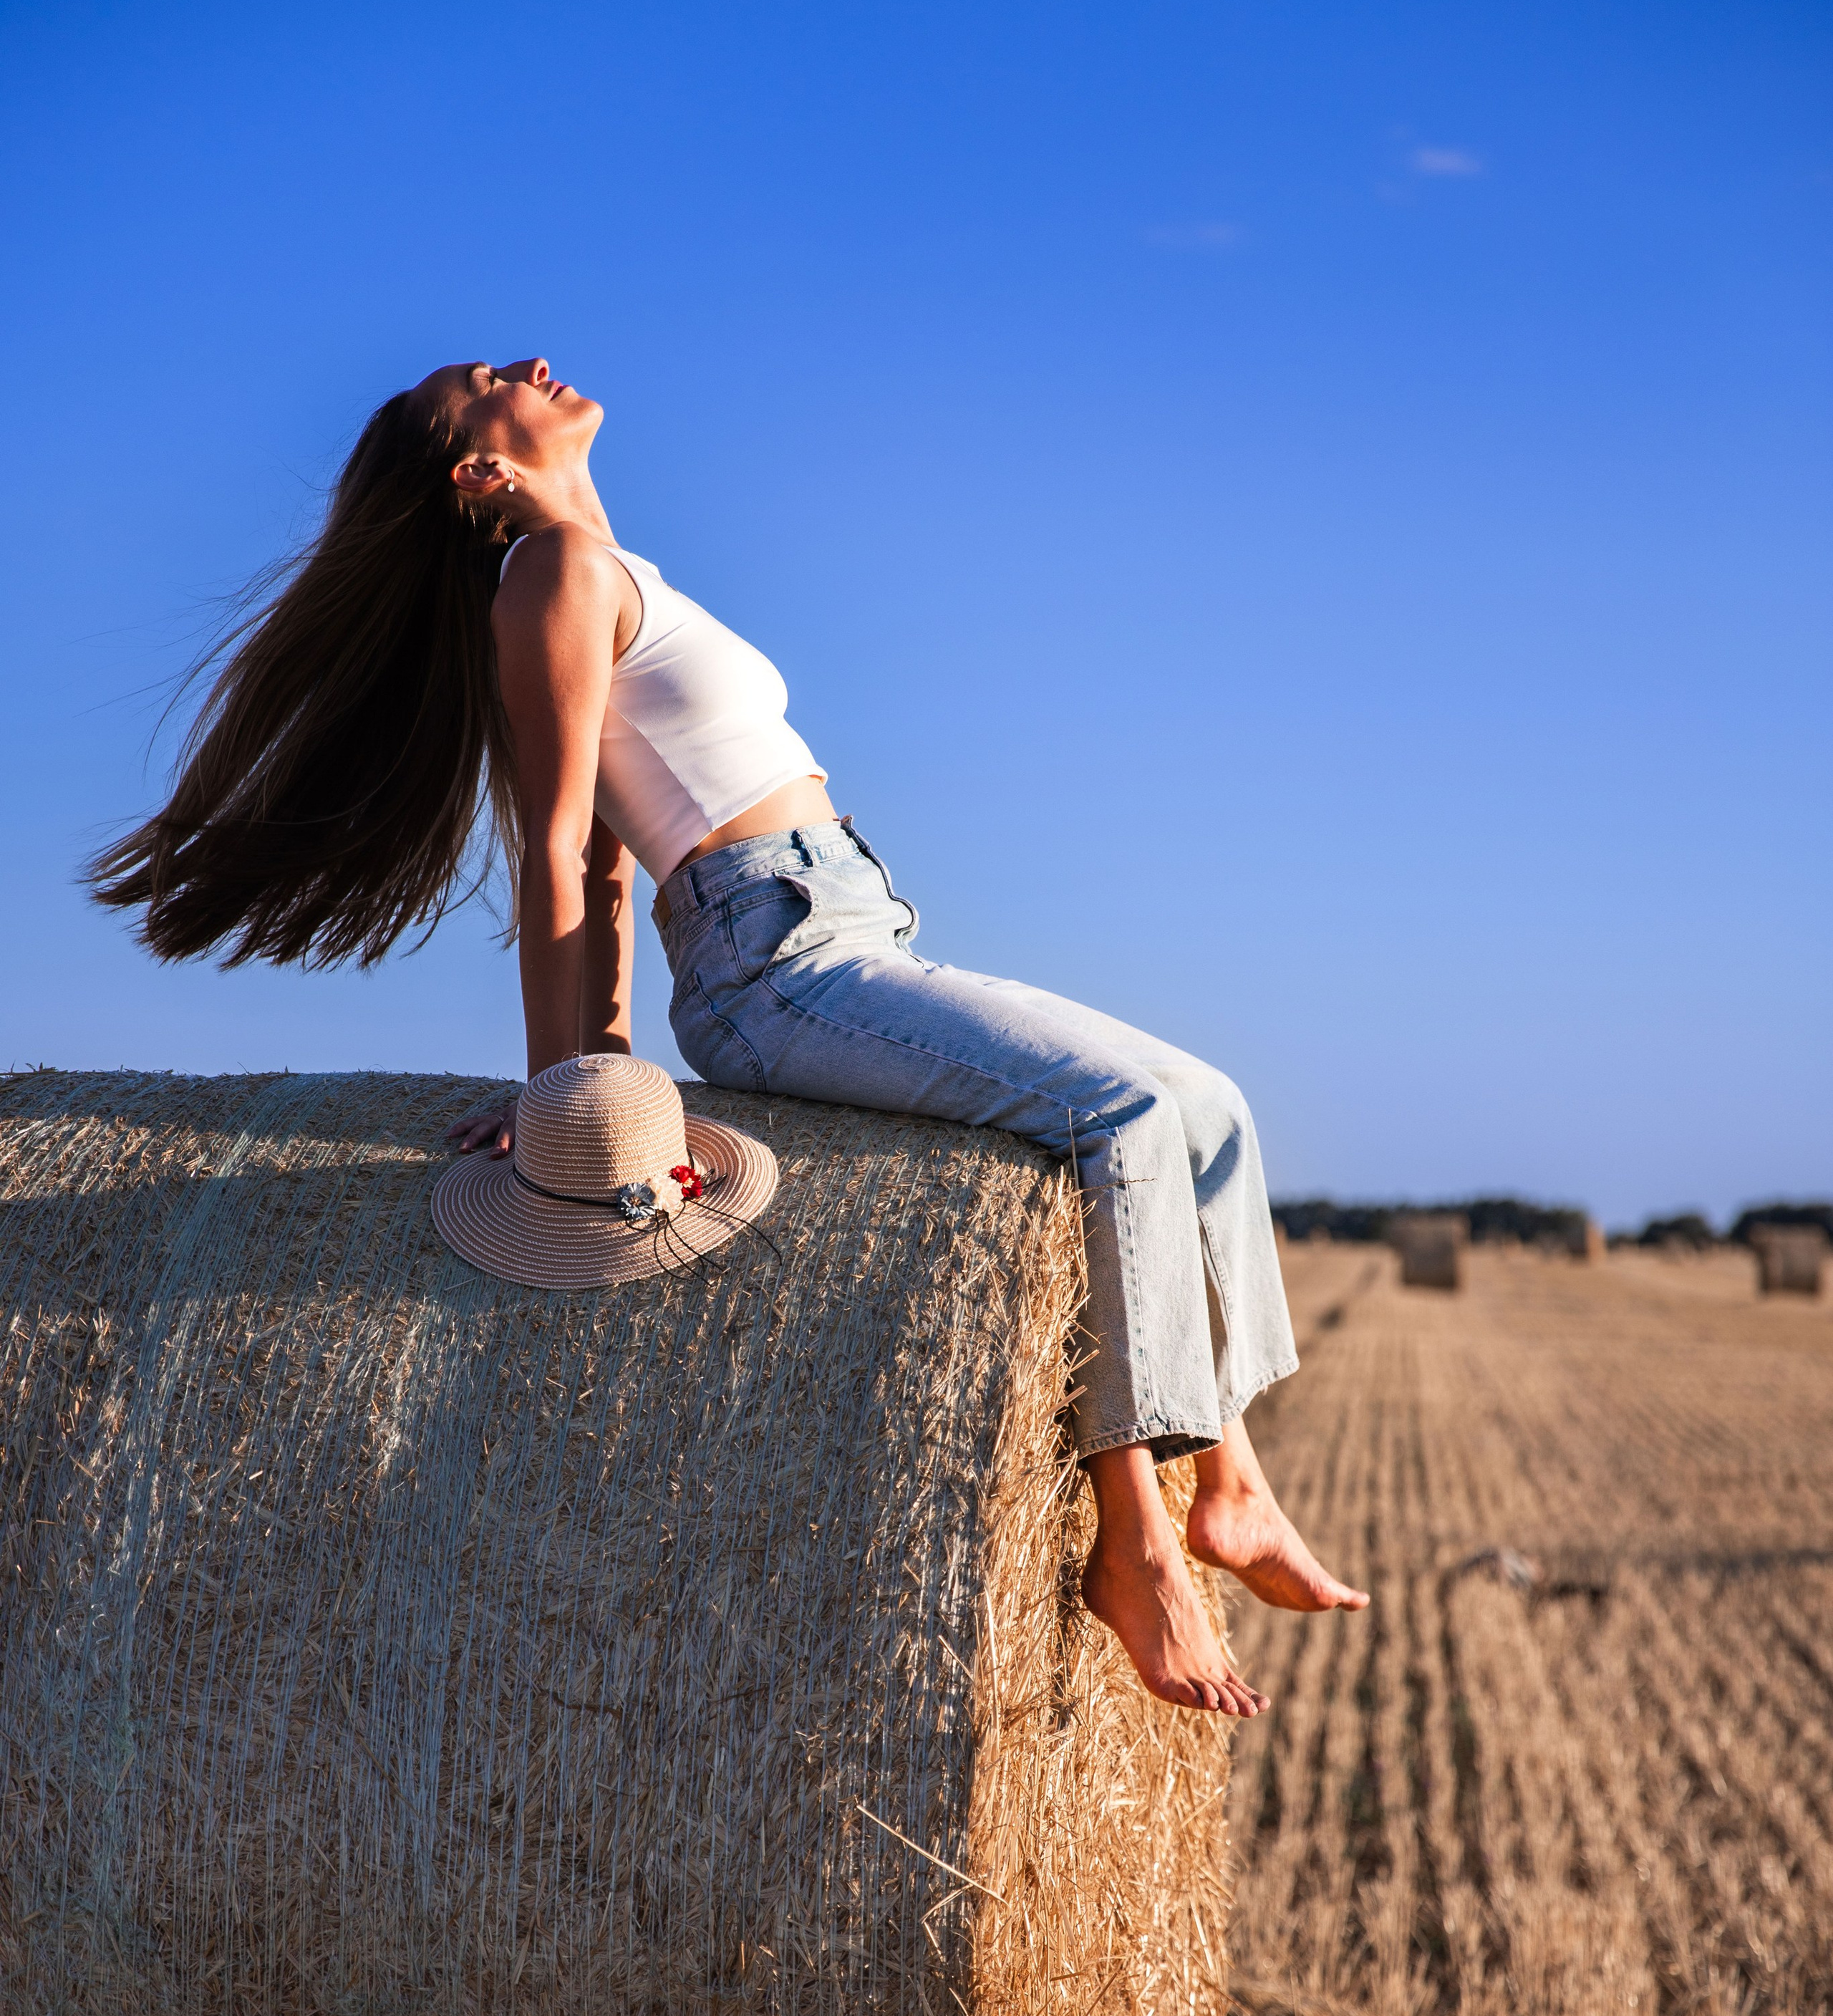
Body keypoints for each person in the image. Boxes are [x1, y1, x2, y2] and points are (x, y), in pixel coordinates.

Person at [92, 355, 1368, 1717]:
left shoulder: (607, 569)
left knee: (1210, 1107)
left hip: (851, 931)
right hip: (779, 967)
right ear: (481, 470)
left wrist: (601, 1058)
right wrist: (576, 1095)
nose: (529, 365)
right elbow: (570, 855)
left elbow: (602, 860)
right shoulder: (549, 574)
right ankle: (1137, 1544)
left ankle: (1229, 1481)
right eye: (487, 380)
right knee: (1120, 1117)